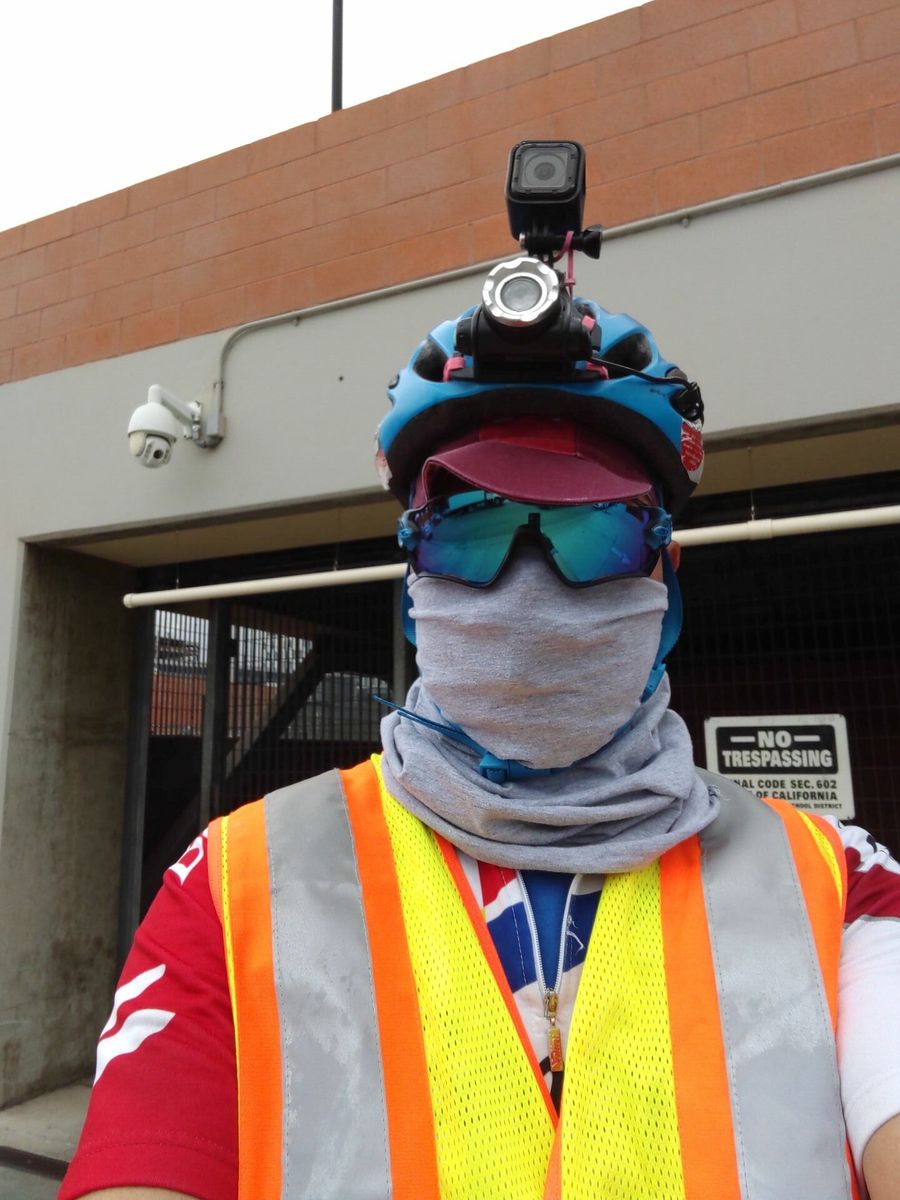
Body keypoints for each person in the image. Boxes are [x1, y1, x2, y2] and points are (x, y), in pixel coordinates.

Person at [60, 282, 900, 1200]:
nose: (528, 590)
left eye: (595, 531)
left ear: (666, 573)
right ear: (412, 573)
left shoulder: (839, 884)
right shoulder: (231, 886)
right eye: (469, 529)